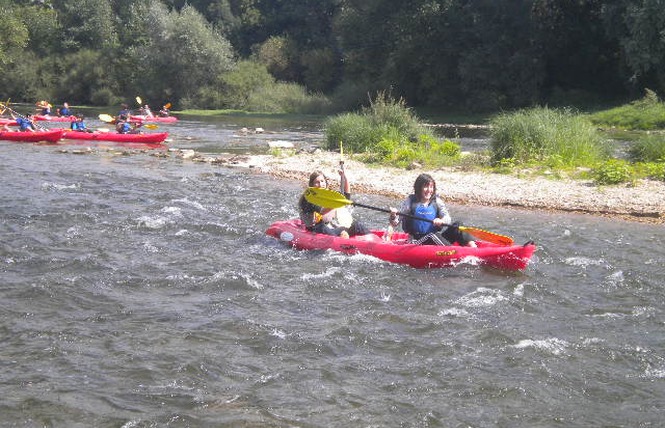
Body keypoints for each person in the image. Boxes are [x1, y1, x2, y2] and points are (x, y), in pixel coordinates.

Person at [389, 173, 476, 246]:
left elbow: (447, 218)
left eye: (431, 187)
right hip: (416, 241)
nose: (429, 190)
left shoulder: (437, 201)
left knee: (458, 225)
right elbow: (395, 223)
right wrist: (393, 215)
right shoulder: (410, 202)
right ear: (419, 188)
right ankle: (453, 251)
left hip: (435, 238)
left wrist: (441, 221)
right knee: (432, 235)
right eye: (426, 187)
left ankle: (473, 248)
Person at [298, 169, 370, 238]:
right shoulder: (309, 197)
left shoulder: (328, 194)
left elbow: (346, 197)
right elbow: (322, 211)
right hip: (315, 228)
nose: (320, 184)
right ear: (312, 185)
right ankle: (342, 236)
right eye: (317, 182)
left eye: (322, 181)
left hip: (328, 227)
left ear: (326, 183)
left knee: (357, 225)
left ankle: (374, 240)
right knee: (322, 227)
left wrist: (344, 177)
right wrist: (336, 203)